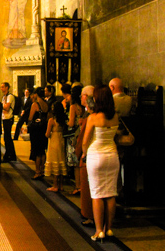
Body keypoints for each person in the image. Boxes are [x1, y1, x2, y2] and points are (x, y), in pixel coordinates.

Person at [82, 85, 120, 242]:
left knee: (97, 194)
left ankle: (99, 231)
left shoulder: (93, 117)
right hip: (112, 156)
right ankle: (109, 228)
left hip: (96, 156)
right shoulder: (115, 116)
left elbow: (85, 142)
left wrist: (84, 153)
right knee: (110, 193)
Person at [75, 85, 95, 228]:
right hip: (104, 155)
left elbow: (84, 139)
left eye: (82, 95)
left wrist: (81, 153)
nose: (81, 97)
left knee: (90, 189)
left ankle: (90, 215)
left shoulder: (92, 117)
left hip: (90, 156)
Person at [44, 101, 68, 192]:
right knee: (61, 161)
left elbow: (47, 134)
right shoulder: (63, 120)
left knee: (54, 162)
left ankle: (55, 185)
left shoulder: (52, 120)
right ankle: (61, 185)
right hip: (61, 141)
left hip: (53, 142)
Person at [66, 85, 84, 195]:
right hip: (82, 133)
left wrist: (66, 122)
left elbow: (71, 123)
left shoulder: (73, 107)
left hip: (74, 135)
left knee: (76, 163)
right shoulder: (83, 106)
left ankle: (78, 186)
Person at [28, 87, 49, 180]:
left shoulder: (35, 104)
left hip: (36, 130)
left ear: (36, 94)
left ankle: (37, 172)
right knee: (42, 151)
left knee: (36, 151)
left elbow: (30, 118)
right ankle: (43, 170)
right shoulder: (46, 104)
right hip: (44, 129)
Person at [1, 82, 17, 162]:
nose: (1, 88)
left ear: (7, 87)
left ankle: (8, 155)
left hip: (9, 118)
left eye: (3, 87)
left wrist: (1, 106)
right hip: (5, 118)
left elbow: (7, 108)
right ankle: (12, 155)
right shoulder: (4, 97)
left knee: (7, 138)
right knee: (7, 138)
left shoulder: (10, 96)